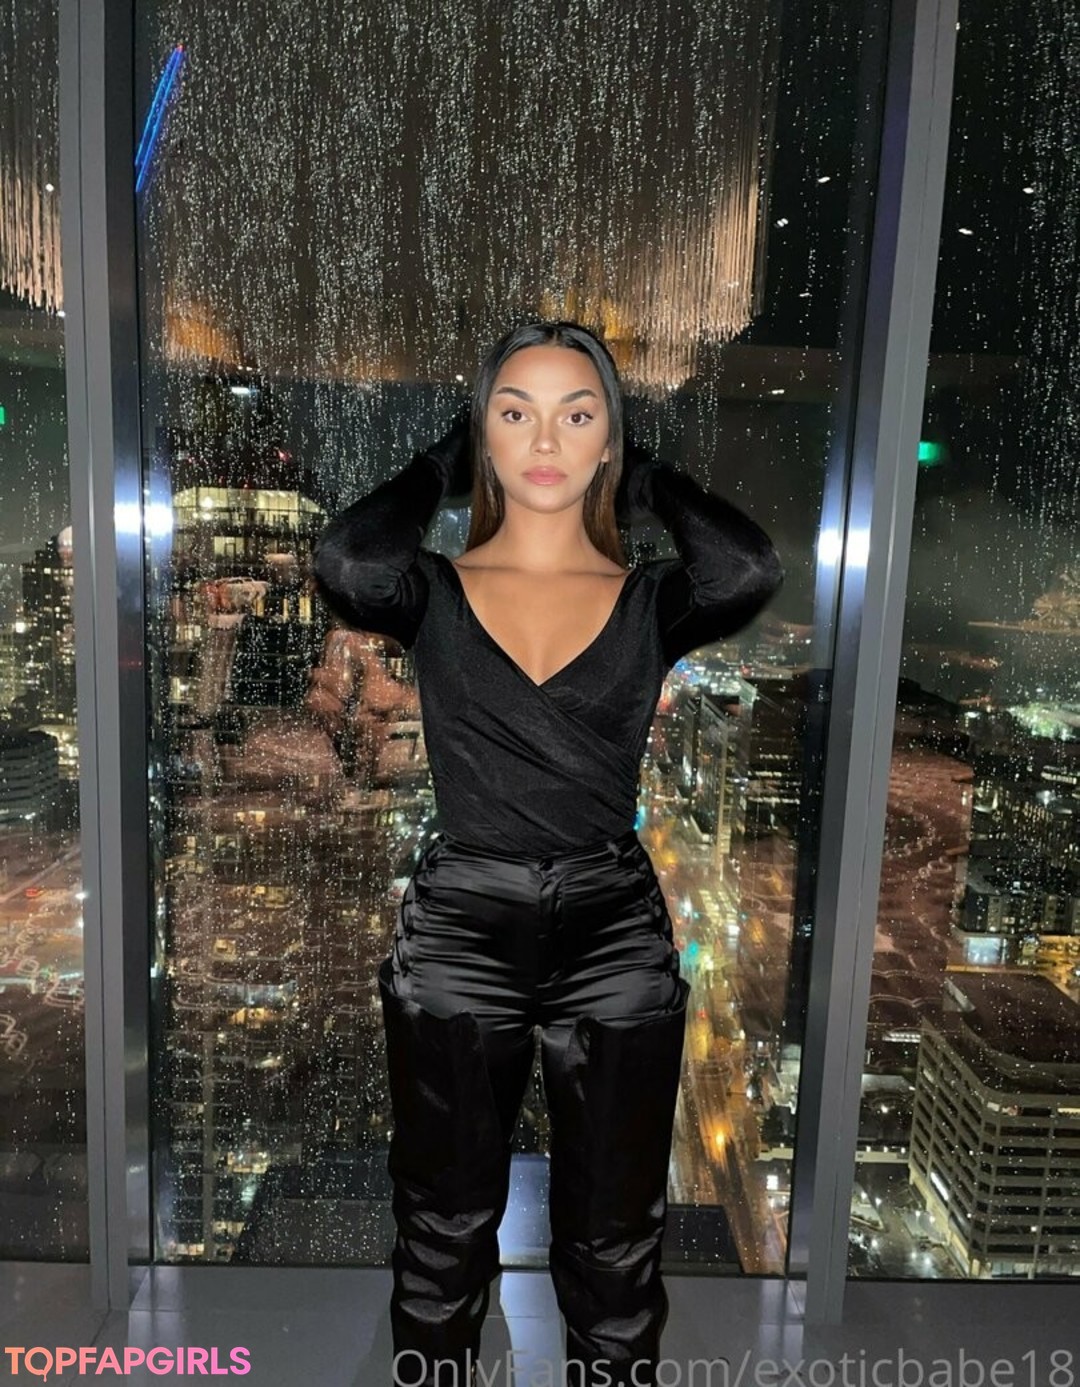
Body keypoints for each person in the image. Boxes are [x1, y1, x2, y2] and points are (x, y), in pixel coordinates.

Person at [312, 320, 784, 1387]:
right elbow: (346, 559)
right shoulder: (431, 590)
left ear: (609, 438)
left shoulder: (650, 598)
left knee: (616, 1244)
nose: (544, 439)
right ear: (482, 435)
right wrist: (438, 465)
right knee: (440, 1233)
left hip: (613, 930)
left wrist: (646, 476)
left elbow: (748, 564)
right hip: (459, 928)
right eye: (514, 411)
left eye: (578, 414)